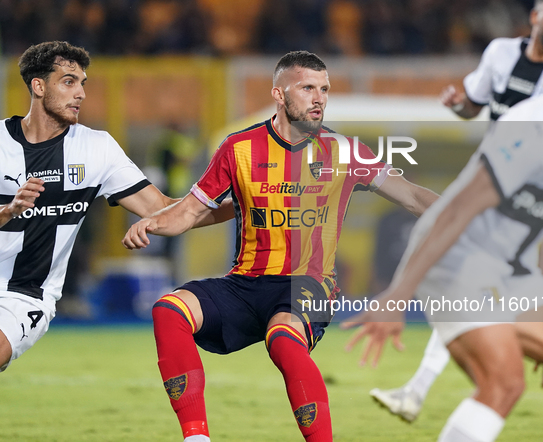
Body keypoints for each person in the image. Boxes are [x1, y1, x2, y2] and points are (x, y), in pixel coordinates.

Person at [122, 50, 439, 442]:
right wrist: (152, 223)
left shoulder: (344, 151)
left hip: (309, 285)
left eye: (324, 89)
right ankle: (196, 438)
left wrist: (469, 216)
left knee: (283, 338)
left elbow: (412, 197)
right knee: (169, 310)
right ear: (279, 93)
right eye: (307, 88)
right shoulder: (238, 148)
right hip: (245, 284)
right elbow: (188, 213)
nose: (319, 97)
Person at [370, 0, 543, 422]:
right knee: (503, 381)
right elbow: (472, 104)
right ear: (535, 16)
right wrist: (396, 297)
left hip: (520, 229)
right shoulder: (509, 67)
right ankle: (416, 388)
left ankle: (415, 391)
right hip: (489, 191)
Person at [343, 87, 543, 441]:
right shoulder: (541, 126)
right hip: (458, 254)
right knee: (503, 382)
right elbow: (456, 210)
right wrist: (399, 294)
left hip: (512, 267)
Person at [0, 41, 232, 374]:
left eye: (82, 83)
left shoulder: (97, 149)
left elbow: (166, 209)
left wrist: (245, 203)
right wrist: (7, 211)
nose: (80, 92)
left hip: (24, 295)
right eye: (68, 81)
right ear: (38, 86)